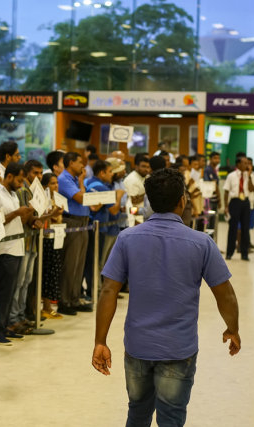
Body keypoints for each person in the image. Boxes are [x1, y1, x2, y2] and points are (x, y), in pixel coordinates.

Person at [93, 168, 240, 427]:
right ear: (182, 200)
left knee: (137, 412)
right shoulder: (201, 243)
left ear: (149, 200)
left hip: (138, 346)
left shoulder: (127, 238)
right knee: (171, 418)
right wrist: (233, 328)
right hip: (178, 348)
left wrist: (100, 341)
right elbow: (225, 294)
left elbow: (108, 291)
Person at [0, 162, 34, 345]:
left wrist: (27, 212)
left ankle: (5, 327)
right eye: (19, 180)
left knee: (11, 292)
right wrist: (16, 213)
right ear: (10, 176)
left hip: (16, 247)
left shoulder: (12, 193)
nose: (21, 184)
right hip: (4, 249)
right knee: (2, 293)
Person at [9, 159, 47, 334]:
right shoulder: (22, 190)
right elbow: (23, 217)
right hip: (22, 242)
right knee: (18, 282)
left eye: (40, 173)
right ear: (26, 173)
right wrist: (32, 214)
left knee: (26, 281)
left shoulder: (35, 190)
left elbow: (34, 217)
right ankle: (14, 317)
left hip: (32, 242)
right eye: (34, 173)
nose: (38, 176)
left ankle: (21, 314)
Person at [83, 159, 125, 301]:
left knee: (93, 261)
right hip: (98, 228)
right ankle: (95, 291)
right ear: (102, 173)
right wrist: (118, 196)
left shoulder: (88, 182)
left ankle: (93, 290)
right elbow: (113, 210)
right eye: (109, 172)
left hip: (95, 227)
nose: (112, 174)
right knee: (96, 262)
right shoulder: (101, 187)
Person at [57, 151, 91, 315]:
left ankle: (75, 298)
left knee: (79, 264)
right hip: (72, 222)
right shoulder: (64, 179)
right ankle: (65, 301)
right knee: (70, 264)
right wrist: (82, 182)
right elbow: (81, 198)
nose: (83, 166)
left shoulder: (75, 179)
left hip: (83, 222)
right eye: (80, 162)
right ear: (71, 163)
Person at [224, 156, 254, 261]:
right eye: (244, 163)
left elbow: (251, 189)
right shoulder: (231, 176)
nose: (247, 165)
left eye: (248, 163)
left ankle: (244, 253)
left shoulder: (249, 176)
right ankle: (229, 252)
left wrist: (249, 176)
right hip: (235, 202)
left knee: (245, 228)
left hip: (245, 202)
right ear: (238, 164)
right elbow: (226, 191)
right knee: (233, 228)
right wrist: (226, 206)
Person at [40, 173, 63, 319]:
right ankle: (44, 306)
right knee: (46, 273)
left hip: (57, 236)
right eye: (52, 183)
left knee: (54, 272)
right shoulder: (44, 198)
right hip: (46, 238)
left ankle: (48, 306)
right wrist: (52, 213)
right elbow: (48, 217)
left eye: (56, 183)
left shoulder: (58, 198)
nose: (56, 186)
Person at [203, 152, 221, 230]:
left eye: (218, 158)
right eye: (215, 158)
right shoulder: (208, 170)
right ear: (210, 159)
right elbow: (211, 185)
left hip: (214, 199)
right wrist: (219, 198)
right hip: (209, 199)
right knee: (208, 222)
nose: (217, 160)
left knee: (213, 221)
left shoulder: (215, 170)